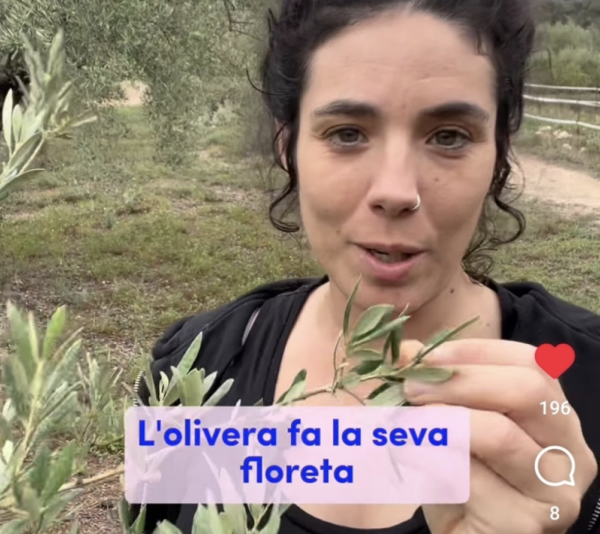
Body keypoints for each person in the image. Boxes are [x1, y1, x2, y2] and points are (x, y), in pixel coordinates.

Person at [131, 0, 600, 532]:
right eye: (347, 133)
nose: (396, 192)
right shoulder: (194, 371)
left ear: (498, 154)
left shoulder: (588, 379)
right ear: (288, 147)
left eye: (449, 136)